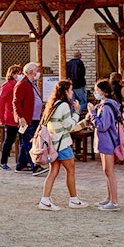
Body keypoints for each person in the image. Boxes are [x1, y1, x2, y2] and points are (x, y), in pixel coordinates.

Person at [37, 80, 88, 211]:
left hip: (53, 144)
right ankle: (73, 199)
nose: (72, 93)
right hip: (62, 144)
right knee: (70, 170)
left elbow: (66, 125)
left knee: (53, 171)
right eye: (70, 90)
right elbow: (70, 126)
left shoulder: (53, 104)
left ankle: (45, 199)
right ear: (65, 92)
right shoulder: (64, 106)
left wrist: (82, 123)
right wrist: (77, 112)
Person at [88, 80, 122, 211]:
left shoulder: (107, 107)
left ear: (104, 91)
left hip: (108, 142)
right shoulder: (102, 105)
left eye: (97, 90)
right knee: (106, 171)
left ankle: (114, 201)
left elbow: (103, 126)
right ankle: (109, 197)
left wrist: (93, 114)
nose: (95, 92)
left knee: (109, 172)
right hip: (104, 141)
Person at [13, 62, 45, 175]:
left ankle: (21, 165)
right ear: (31, 72)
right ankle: (34, 165)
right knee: (29, 142)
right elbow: (16, 102)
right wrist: (21, 117)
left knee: (25, 142)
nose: (38, 72)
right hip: (27, 118)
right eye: (36, 70)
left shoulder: (32, 83)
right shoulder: (22, 84)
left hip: (34, 117)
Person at [0, 64, 23, 171]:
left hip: (19, 117)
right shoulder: (7, 86)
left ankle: (22, 162)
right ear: (13, 74)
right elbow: (1, 102)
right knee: (9, 140)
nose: (20, 75)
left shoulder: (18, 85)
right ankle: (3, 162)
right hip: (10, 117)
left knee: (22, 140)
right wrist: (1, 117)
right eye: (18, 73)